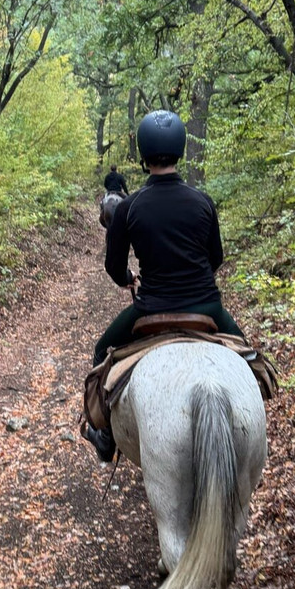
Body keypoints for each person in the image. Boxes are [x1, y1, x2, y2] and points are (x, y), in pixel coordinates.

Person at [83, 110, 244, 462]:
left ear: (143, 155)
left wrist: (129, 279)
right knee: (249, 358)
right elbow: (215, 258)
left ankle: (105, 436)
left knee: (100, 353)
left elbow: (114, 267)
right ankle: (248, 424)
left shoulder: (129, 207)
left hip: (151, 308)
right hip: (207, 306)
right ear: (180, 150)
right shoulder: (203, 202)